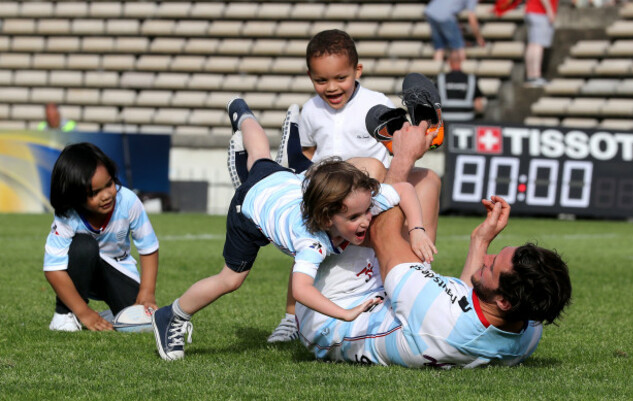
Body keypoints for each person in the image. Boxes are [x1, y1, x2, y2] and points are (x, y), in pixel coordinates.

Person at [152, 97, 436, 361]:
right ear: (327, 220)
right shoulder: (310, 241)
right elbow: (301, 290)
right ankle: (172, 315)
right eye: (355, 218)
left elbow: (403, 190)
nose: (366, 220)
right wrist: (345, 314)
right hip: (250, 208)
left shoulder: (355, 202)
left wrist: (417, 229)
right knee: (231, 280)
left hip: (286, 183)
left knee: (260, 157)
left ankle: (243, 115)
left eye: (366, 210)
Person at [266, 29, 443, 343]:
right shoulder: (311, 111)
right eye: (321, 81)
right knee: (305, 246)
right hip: (331, 197)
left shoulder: (376, 103)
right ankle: (291, 317)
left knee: (425, 178)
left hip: (366, 193)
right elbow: (309, 153)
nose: (331, 87)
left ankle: (423, 268)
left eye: (340, 78)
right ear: (310, 77)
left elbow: (392, 151)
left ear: (357, 71)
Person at [296, 193, 573, 367]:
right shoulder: (528, 329)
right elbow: (465, 305)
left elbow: (383, 228)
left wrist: (403, 155)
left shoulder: (438, 316)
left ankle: (295, 189)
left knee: (372, 174)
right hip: (390, 306)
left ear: (503, 300)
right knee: (427, 182)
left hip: (329, 319)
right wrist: (480, 240)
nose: (487, 257)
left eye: (490, 266)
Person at [43, 142, 160, 332]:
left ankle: (109, 316)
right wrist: (84, 312)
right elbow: (53, 269)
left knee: (136, 319)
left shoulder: (128, 201)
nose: (106, 195)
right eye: (94, 193)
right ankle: (64, 314)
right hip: (79, 271)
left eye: (109, 184)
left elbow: (148, 248)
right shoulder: (67, 215)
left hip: (116, 270)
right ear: (75, 195)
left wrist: (147, 292)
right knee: (84, 246)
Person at [437, 52, 486, 122]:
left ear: (449, 62)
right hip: (466, 122)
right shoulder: (471, 79)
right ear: (461, 61)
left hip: (445, 122)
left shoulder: (440, 79)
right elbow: (478, 105)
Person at [524, 0, 559, 87]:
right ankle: (536, 76)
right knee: (537, 45)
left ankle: (531, 76)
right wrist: (549, 10)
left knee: (532, 45)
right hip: (539, 12)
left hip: (532, 11)